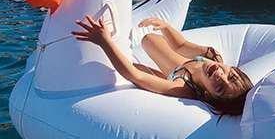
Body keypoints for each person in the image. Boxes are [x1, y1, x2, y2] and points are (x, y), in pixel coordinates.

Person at [72, 15, 252, 115]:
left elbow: (136, 75)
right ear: (235, 69)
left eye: (219, 87)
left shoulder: (183, 88)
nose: (220, 76)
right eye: (231, 75)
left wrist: (104, 41)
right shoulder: (211, 55)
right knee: (149, 39)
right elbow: (180, 45)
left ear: (208, 94)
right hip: (178, 65)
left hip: (174, 75)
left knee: (135, 71)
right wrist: (165, 26)